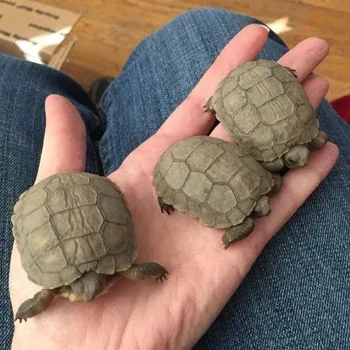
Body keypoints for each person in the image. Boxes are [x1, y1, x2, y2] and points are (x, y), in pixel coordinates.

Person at [1, 8, 348, 349]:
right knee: (205, 26)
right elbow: (133, 270)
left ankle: (102, 107)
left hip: (183, 171)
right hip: (138, 185)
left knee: (15, 79)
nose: (92, 293)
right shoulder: (99, 275)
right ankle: (104, 106)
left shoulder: (81, 279)